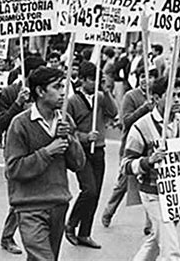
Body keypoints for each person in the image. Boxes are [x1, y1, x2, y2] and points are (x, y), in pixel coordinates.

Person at [122, 76, 180, 260]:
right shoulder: (141, 126)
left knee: (156, 240)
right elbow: (126, 165)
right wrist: (149, 161)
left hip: (177, 194)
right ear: (155, 98)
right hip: (153, 194)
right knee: (171, 249)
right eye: (171, 96)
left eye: (179, 95)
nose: (177, 100)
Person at [5, 66, 85, 260]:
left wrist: (70, 139)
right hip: (30, 206)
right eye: (57, 87)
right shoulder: (20, 124)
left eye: (63, 86)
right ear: (40, 91)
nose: (63, 93)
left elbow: (78, 164)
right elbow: (14, 169)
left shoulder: (65, 120)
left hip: (58, 203)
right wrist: (48, 151)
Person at [65, 60, 118, 249]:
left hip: (99, 150)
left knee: (95, 194)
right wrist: (85, 137)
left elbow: (114, 112)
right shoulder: (72, 101)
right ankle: (71, 224)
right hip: (82, 151)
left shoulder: (100, 97)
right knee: (89, 190)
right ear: (82, 80)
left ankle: (85, 233)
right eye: (91, 80)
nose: (94, 84)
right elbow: (69, 130)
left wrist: (107, 91)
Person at [0, 57, 46, 255]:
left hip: (39, 154)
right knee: (19, 198)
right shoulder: (9, 92)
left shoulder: (43, 94)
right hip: (16, 153)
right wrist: (18, 104)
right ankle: (7, 236)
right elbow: (0, 123)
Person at [101, 65, 158, 230]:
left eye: (150, 77)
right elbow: (126, 121)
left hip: (152, 148)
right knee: (124, 183)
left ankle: (150, 224)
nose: (146, 80)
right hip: (132, 146)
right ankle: (108, 212)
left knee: (153, 186)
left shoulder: (158, 97)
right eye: (143, 77)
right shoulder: (130, 96)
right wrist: (144, 109)